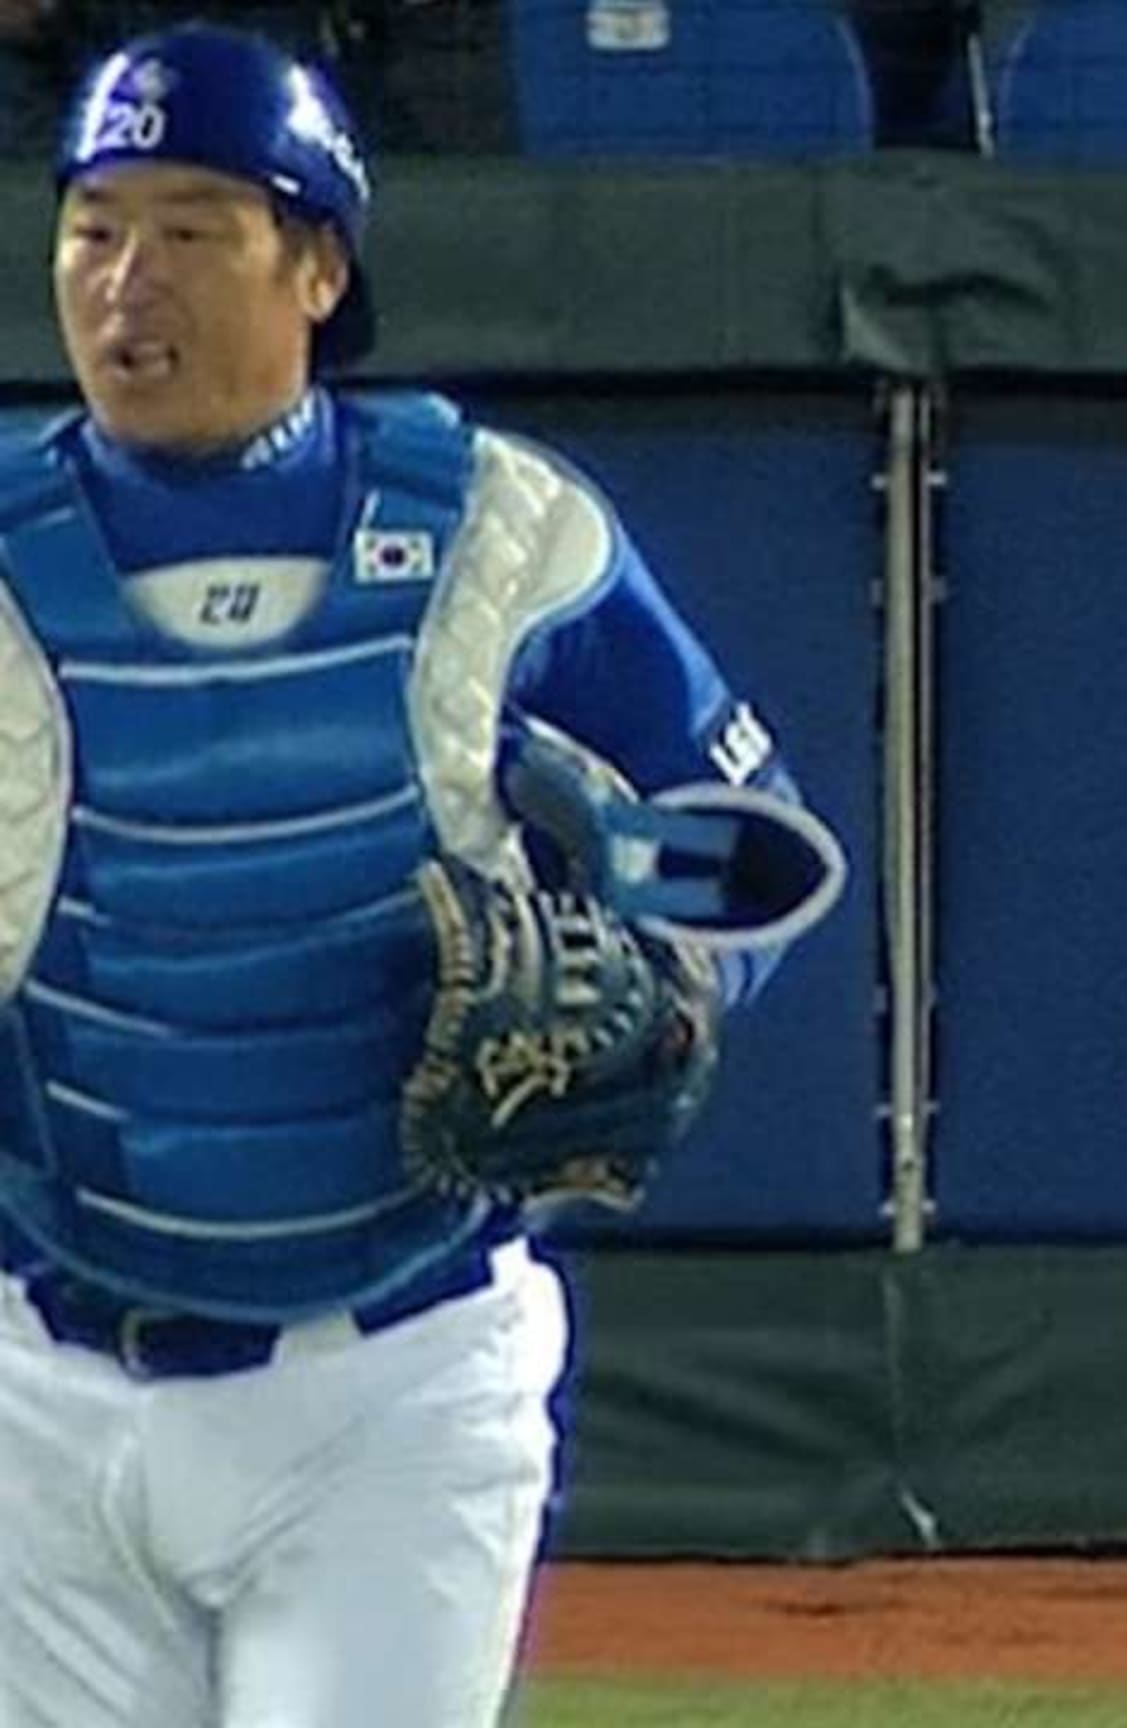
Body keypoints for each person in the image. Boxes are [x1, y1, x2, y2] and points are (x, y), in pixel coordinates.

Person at [0, 25, 838, 1728]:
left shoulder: (500, 532)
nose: (123, 280)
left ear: (317, 263)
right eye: (92, 228)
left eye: (188, 228)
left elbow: (751, 854)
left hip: (396, 1378)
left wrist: (666, 982)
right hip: (37, 1379)